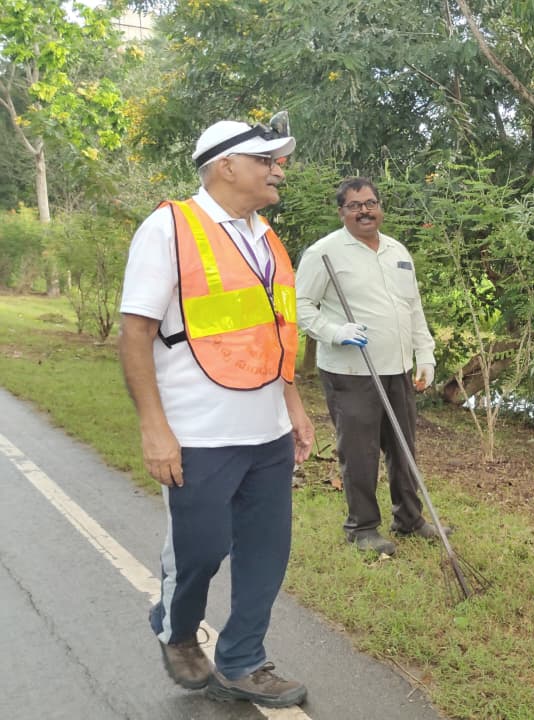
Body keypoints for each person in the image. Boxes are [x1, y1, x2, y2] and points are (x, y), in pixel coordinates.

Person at [119, 119, 314, 707]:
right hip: (198, 432)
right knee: (200, 551)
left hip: (268, 432)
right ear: (226, 165)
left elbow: (274, 333)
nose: (278, 170)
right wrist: (154, 427)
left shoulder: (267, 237)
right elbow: (135, 334)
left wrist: (294, 406)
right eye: (266, 160)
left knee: (266, 553)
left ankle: (242, 661)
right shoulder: (169, 228)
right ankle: (178, 629)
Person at [295, 177, 444, 557]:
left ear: (380, 207)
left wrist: (425, 354)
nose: (364, 211)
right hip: (351, 372)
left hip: (397, 368)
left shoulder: (397, 251)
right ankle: (361, 528)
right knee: (360, 453)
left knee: (403, 447)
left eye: (370, 203)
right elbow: (300, 306)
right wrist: (334, 332)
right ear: (341, 212)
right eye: (354, 205)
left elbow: (413, 307)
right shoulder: (324, 253)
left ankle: (409, 518)